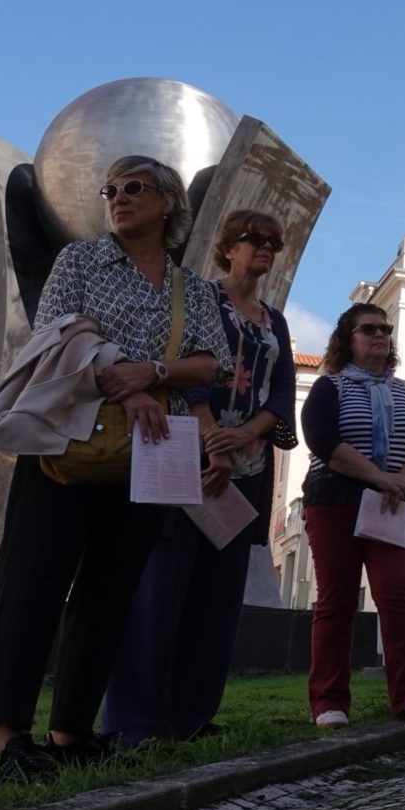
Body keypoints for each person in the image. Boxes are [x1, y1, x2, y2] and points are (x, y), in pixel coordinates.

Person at [0, 155, 231, 785]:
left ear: (168, 202)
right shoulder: (81, 260)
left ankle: (71, 732)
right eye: (110, 188)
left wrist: (154, 375)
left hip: (151, 452)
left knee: (110, 592)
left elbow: (212, 362)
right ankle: (4, 740)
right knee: (34, 584)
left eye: (134, 188)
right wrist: (125, 383)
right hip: (67, 442)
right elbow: (56, 332)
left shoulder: (189, 287)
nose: (118, 197)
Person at [101, 210, 297, 747]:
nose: (264, 249)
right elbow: (186, 362)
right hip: (186, 456)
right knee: (159, 587)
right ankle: (134, 721)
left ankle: (192, 715)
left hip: (247, 466)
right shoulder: (199, 299)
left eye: (272, 243)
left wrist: (247, 435)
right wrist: (212, 436)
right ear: (228, 246)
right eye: (253, 239)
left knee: (218, 596)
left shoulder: (275, 321)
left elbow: (281, 395)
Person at [299, 303, 405, 729]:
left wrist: (402, 482)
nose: (379, 335)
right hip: (335, 500)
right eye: (368, 329)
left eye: (385, 329)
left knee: (397, 594)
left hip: (393, 502)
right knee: (336, 599)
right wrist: (380, 477)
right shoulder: (330, 387)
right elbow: (323, 441)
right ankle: (328, 702)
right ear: (347, 338)